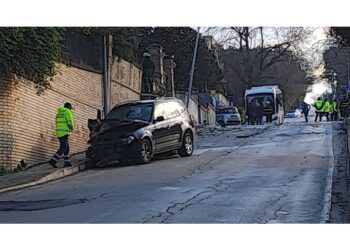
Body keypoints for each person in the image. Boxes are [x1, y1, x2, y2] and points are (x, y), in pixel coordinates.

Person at [49, 102, 74, 168]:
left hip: (59, 132)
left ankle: (67, 162)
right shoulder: (68, 112)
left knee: (66, 148)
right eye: (70, 108)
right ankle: (53, 161)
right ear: (68, 107)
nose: (71, 109)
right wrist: (72, 128)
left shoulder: (59, 113)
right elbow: (69, 123)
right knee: (63, 147)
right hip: (65, 132)